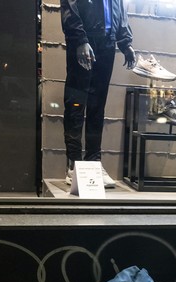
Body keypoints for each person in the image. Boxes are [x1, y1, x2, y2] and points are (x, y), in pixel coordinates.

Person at [60, 0, 136, 188]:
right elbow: (70, 7)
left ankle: (93, 162)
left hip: (107, 44)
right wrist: (80, 40)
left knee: (97, 107)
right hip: (85, 41)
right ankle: (74, 164)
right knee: (75, 104)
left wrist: (125, 43)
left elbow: (118, 10)